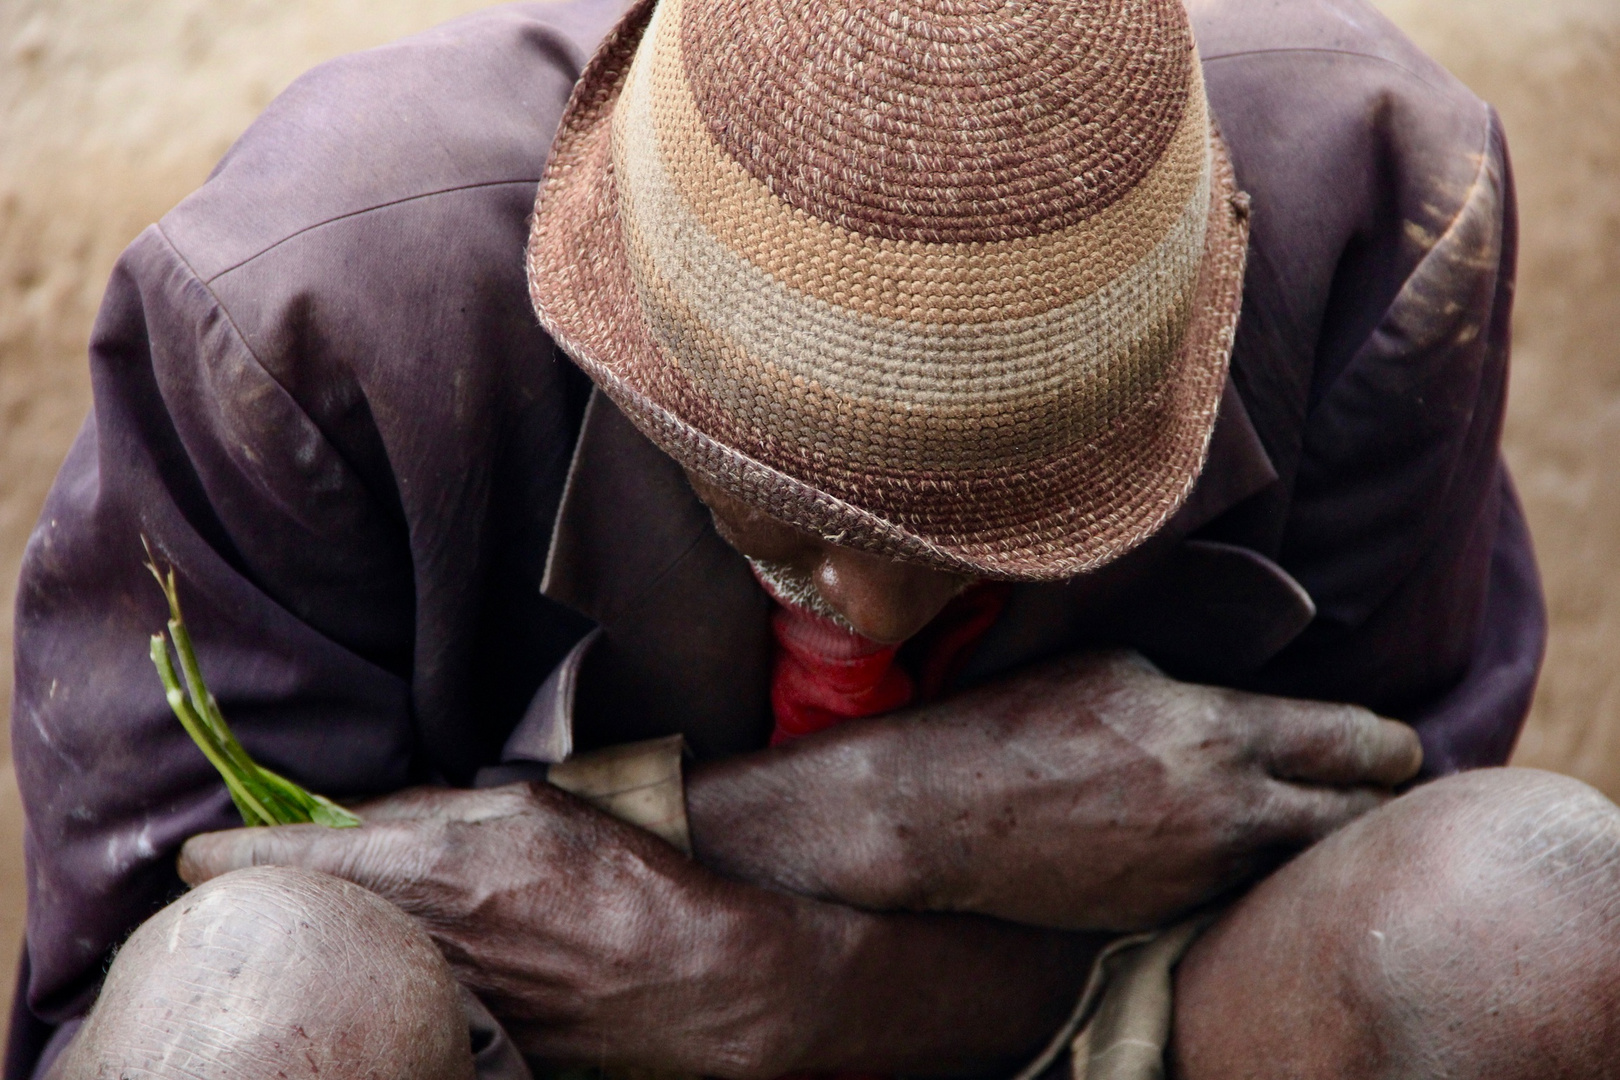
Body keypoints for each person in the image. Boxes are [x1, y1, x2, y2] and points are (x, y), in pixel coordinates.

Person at [13, 0, 1619, 1076]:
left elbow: (1354, 899)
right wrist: (871, 813)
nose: (869, 600)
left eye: (1004, 525)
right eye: (782, 506)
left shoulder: (1378, 209)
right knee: (262, 1006)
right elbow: (167, 979)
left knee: (1528, 916)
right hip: (517, 1041)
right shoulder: (306, 314)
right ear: (617, 319)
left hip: (1110, 1019)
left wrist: (792, 990)